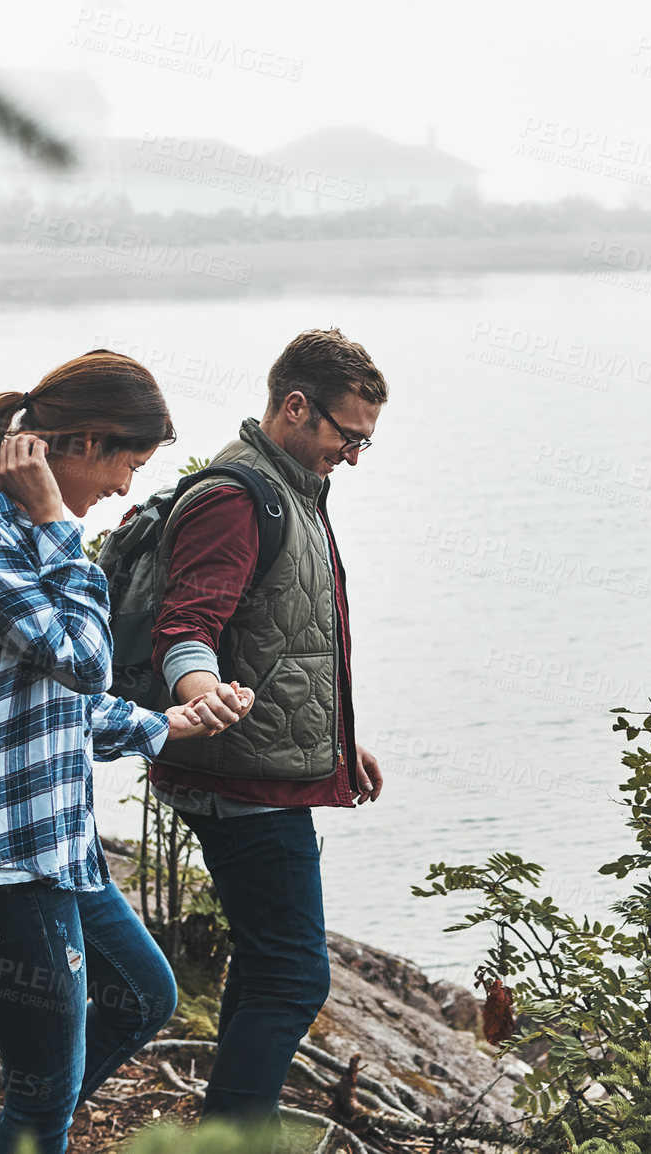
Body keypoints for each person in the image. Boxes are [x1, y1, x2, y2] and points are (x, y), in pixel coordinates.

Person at [0, 349, 248, 1154]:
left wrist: (165, 726)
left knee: (141, 1000)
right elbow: (81, 658)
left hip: (49, 842)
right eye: (129, 463)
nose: (125, 487)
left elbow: (46, 702)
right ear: (85, 443)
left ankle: (26, 1127)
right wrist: (60, 522)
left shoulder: (11, 518)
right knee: (43, 1104)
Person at [147, 328, 388, 1126]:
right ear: (294, 406)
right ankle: (231, 1139)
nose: (354, 454)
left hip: (261, 764)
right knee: (292, 976)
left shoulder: (293, 490)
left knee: (266, 964)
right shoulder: (236, 497)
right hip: (239, 778)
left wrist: (333, 737)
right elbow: (189, 623)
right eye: (347, 435)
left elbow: (285, 638)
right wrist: (200, 689)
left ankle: (226, 1131)